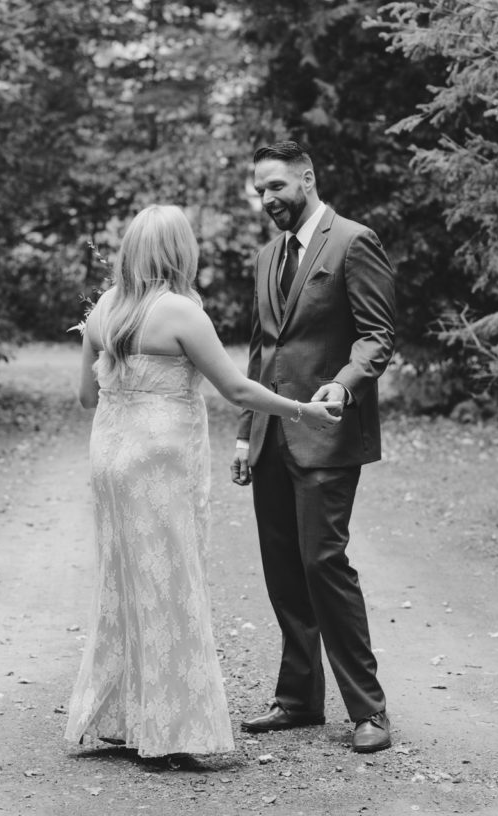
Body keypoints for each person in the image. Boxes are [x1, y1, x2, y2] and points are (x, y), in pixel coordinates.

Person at [64, 203, 340, 761]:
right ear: (178, 251)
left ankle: (118, 715)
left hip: (111, 460)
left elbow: (87, 398)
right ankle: (169, 731)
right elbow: (237, 390)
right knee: (168, 584)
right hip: (160, 462)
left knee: (121, 582)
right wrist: (301, 412)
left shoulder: (105, 311)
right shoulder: (181, 313)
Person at [232, 141, 396, 754]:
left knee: (324, 563)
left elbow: (378, 336)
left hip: (327, 432)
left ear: (307, 177)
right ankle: (299, 699)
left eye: (276, 186)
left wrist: (344, 385)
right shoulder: (266, 256)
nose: (268, 199)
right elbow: (260, 350)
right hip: (273, 435)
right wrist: (247, 433)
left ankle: (369, 709)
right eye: (260, 192)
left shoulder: (354, 241)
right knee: (282, 570)